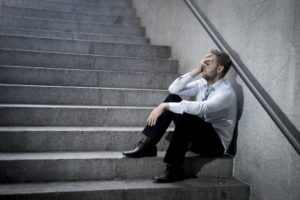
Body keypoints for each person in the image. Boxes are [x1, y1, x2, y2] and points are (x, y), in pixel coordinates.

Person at [122, 49, 237, 183]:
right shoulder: (202, 84)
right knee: (173, 98)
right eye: (204, 63)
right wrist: (196, 70)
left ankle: (174, 169)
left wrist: (164, 106)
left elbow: (202, 107)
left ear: (220, 69)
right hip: (198, 136)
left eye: (208, 64)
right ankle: (149, 145)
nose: (204, 65)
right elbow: (173, 89)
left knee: (184, 114)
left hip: (215, 144)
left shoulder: (226, 92)